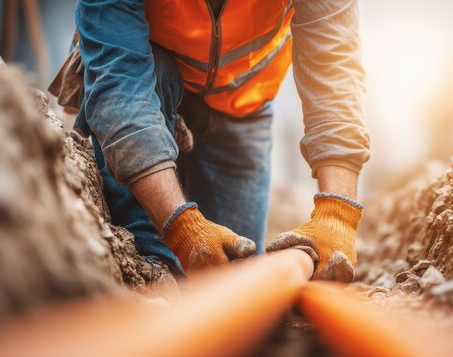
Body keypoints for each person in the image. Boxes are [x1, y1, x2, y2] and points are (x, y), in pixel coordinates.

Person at [50, 0, 370, 282]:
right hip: (154, 91)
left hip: (242, 106)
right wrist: (182, 228)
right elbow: (121, 93)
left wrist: (337, 213)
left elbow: (334, 68)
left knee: (234, 279)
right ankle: (154, 267)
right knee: (160, 269)